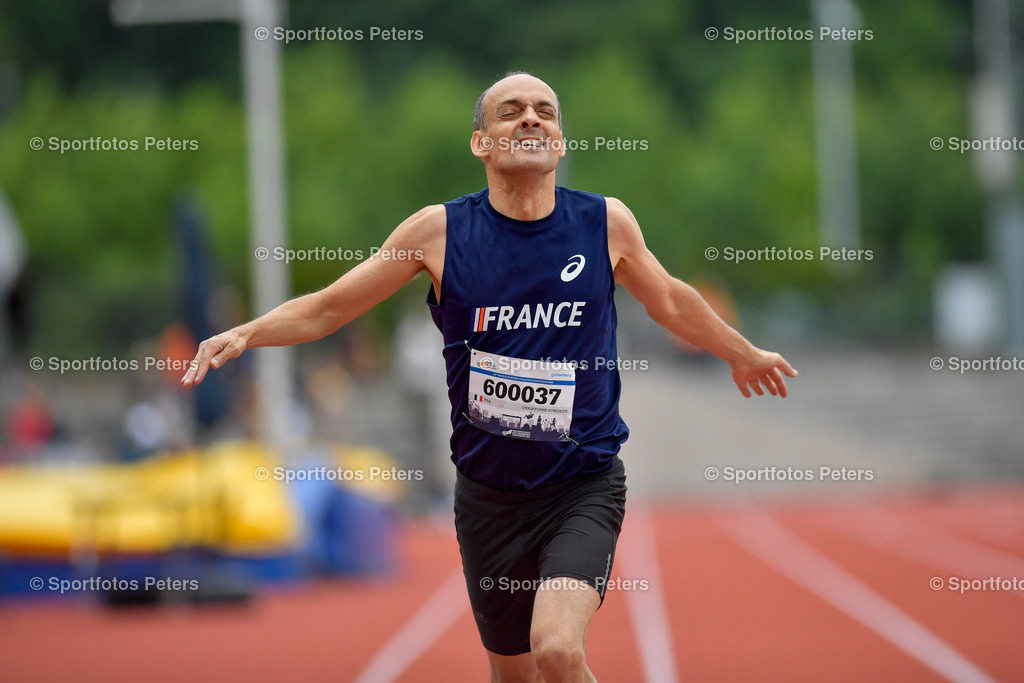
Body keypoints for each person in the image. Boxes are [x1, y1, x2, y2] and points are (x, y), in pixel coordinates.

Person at [181, 72, 797, 682]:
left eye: (544, 111)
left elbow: (671, 300)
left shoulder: (605, 224)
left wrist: (741, 352)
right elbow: (330, 307)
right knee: (515, 675)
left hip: (582, 483)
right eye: (510, 111)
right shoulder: (436, 234)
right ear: (481, 142)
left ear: (559, 141)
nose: (531, 118)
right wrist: (249, 331)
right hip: (488, 497)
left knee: (556, 650)